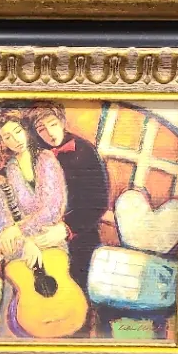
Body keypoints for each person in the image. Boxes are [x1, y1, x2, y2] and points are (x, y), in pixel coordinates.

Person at [0, 109, 70, 271]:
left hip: (50, 241)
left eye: (17, 131)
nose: (16, 140)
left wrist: (18, 229)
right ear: (2, 142)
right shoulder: (2, 174)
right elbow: (2, 228)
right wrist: (25, 245)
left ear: (25, 130)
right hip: (18, 250)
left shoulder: (46, 159)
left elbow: (52, 210)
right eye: (7, 137)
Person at [29, 102, 108, 293]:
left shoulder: (84, 151)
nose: (50, 133)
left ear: (62, 121)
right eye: (41, 129)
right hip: (40, 233)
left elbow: (98, 202)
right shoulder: (33, 154)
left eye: (53, 124)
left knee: (76, 288)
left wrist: (66, 229)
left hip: (79, 235)